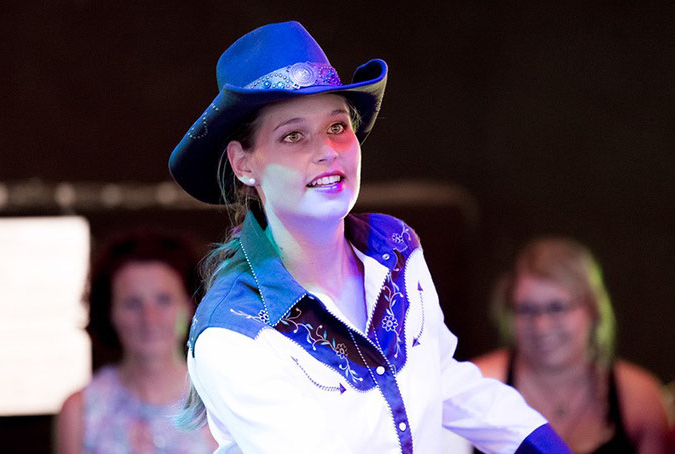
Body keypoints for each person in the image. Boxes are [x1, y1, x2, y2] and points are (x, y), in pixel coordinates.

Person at [168, 21, 570, 453]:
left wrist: (542, 444)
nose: (326, 150)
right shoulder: (233, 333)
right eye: (293, 135)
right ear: (244, 164)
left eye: (337, 127)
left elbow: (441, 378)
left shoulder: (394, 246)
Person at [472, 237, 669, 453]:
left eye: (557, 307)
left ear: (593, 309)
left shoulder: (639, 396)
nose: (541, 326)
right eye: (526, 310)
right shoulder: (477, 384)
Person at [54, 229, 216, 453]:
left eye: (164, 300)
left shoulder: (221, 403)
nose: (150, 318)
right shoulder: (80, 411)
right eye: (132, 303)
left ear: (190, 307)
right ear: (109, 312)